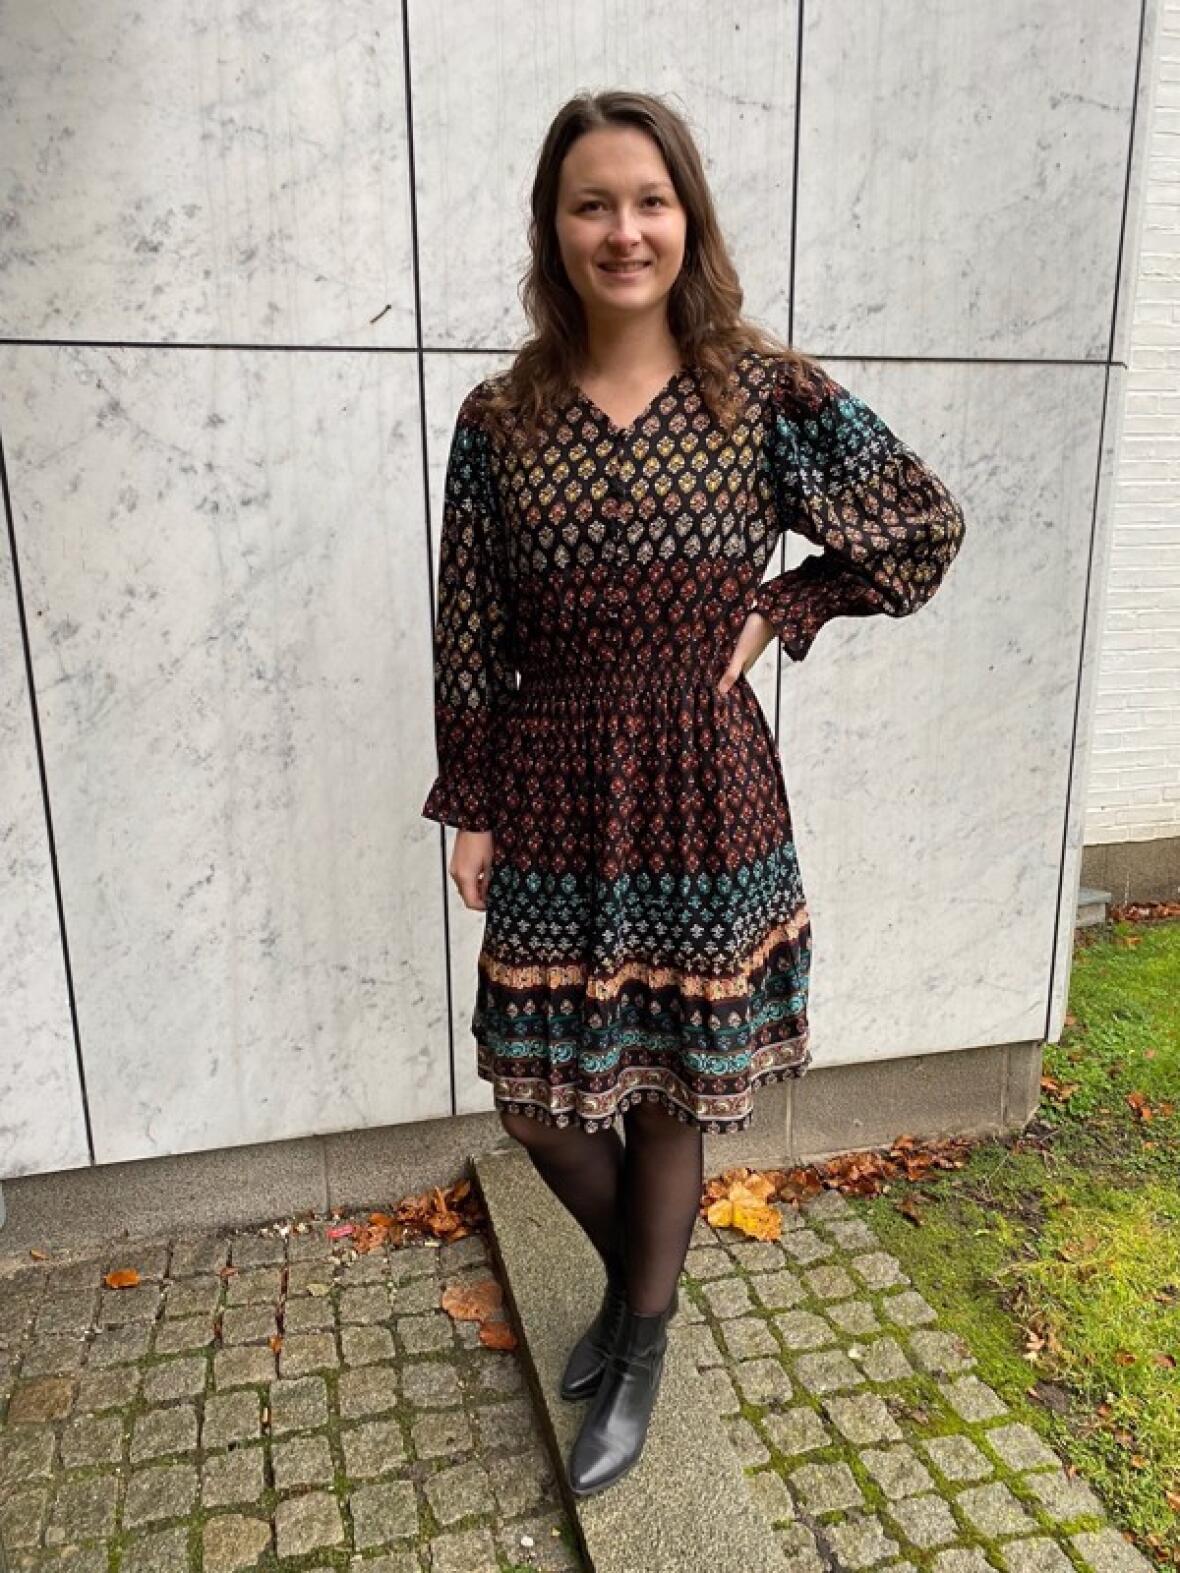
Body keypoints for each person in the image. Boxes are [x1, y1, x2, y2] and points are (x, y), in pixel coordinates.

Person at [421, 89, 966, 1498]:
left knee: (669, 1085)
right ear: (554, 227)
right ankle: (639, 1293)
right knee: (539, 1101)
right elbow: (469, 622)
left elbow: (921, 524)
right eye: (592, 203)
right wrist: (474, 800)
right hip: (553, 777)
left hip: (703, 784)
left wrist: (789, 604)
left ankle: (640, 1339)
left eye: (650, 201)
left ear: (688, 219)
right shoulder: (500, 418)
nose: (625, 230)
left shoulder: (762, 392)